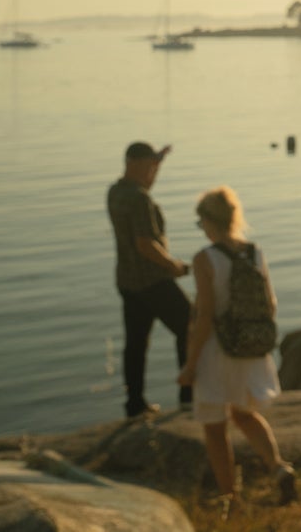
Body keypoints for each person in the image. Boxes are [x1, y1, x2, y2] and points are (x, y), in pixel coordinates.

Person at [177, 185, 296, 508]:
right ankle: (279, 468)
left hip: (218, 351)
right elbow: (270, 304)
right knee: (244, 415)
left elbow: (205, 316)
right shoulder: (254, 252)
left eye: (200, 222)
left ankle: (231, 501)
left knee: (215, 428)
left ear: (208, 221)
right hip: (250, 349)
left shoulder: (205, 259)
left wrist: (190, 364)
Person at [106, 141, 192, 417]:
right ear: (133, 164)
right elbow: (145, 244)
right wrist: (173, 265)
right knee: (190, 326)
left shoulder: (115, 192)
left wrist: (158, 159)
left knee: (136, 343)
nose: (153, 172)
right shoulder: (140, 199)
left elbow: (143, 181)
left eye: (155, 167)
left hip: (127, 281)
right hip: (153, 281)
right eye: (149, 167)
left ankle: (135, 404)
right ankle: (188, 397)